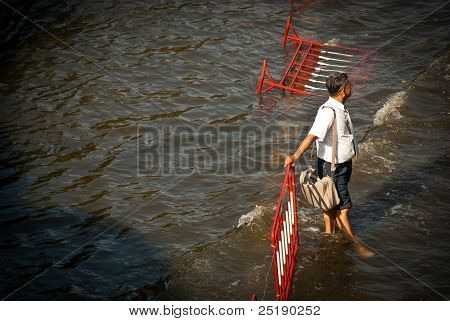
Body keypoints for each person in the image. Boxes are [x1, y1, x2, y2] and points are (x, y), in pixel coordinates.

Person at [284, 72, 373, 256]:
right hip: (332, 167)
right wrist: (295, 156)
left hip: (340, 164)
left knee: (330, 202)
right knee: (343, 208)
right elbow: (313, 135)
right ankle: (356, 245)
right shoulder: (328, 111)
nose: (351, 86)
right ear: (342, 90)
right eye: (349, 84)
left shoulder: (339, 107)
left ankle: (329, 235)